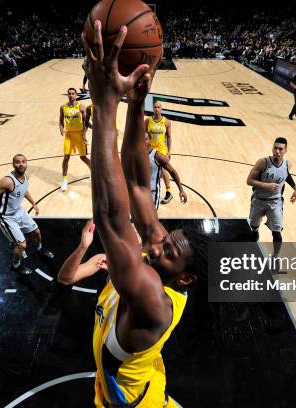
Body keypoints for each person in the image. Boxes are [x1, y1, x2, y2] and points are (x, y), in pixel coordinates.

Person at [82, 21, 210, 407]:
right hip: (147, 374)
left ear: (184, 277)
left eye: (168, 252)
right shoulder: (164, 256)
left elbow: (110, 218)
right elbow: (139, 183)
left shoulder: (151, 296)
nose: (156, 246)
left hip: (130, 401)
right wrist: (136, 104)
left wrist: (104, 103)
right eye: (165, 240)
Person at [0, 154, 54, 275]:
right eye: (17, 162)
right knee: (22, 244)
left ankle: (39, 249)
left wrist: (33, 203)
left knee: (37, 232)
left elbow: (24, 189)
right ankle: (16, 265)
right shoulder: (7, 181)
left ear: (26, 163)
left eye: (23, 161)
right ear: (13, 164)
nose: (21, 164)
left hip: (19, 211)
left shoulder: (26, 176)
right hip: (6, 217)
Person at [246, 137, 296, 263]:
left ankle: (275, 257)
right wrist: (265, 185)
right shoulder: (262, 162)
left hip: (275, 202)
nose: (277, 151)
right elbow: (249, 181)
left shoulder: (288, 164)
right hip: (259, 200)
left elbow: (286, 175)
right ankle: (255, 237)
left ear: (286, 151)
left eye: (280, 149)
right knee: (253, 227)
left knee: (276, 231)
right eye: (275, 148)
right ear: (272, 148)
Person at [59, 87, 90, 191]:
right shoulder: (63, 107)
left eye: (73, 93)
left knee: (83, 158)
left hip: (79, 135)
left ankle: (93, 172)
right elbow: (60, 121)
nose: (71, 95)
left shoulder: (81, 107)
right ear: (67, 95)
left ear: (76, 95)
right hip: (68, 135)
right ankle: (64, 180)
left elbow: (86, 123)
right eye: (69, 93)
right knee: (66, 157)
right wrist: (61, 128)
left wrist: (84, 134)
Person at [145, 133, 187, 209]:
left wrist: (181, 190)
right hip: (139, 191)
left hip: (153, 193)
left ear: (150, 141)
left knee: (150, 219)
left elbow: (172, 172)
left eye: (145, 139)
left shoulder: (158, 156)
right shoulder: (136, 155)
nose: (142, 142)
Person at [145, 101, 173, 204]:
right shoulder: (147, 121)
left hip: (161, 149)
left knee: (164, 170)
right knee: (150, 170)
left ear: (161, 109)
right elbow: (145, 136)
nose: (157, 109)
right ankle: (150, 190)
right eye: (155, 107)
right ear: (153, 108)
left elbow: (169, 137)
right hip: (150, 149)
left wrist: (169, 151)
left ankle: (168, 192)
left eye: (159, 107)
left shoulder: (166, 122)